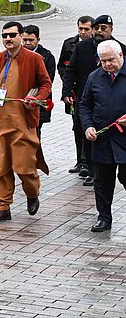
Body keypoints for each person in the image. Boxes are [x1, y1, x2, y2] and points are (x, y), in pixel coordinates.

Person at [0, 21, 52, 223]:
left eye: (12, 35)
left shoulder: (34, 58)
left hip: (23, 122)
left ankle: (32, 193)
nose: (8, 39)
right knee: (0, 166)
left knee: (24, 166)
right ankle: (1, 206)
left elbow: (46, 83)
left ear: (20, 36)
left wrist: (36, 99)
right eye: (4, 36)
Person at [62, 15, 126, 187]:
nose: (99, 31)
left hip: (117, 106)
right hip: (85, 99)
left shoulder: (121, 48)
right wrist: (66, 91)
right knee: (84, 131)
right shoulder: (82, 47)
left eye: (103, 28)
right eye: (96, 27)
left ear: (111, 29)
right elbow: (70, 70)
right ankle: (88, 167)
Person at [80, 40, 126, 232]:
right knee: (102, 182)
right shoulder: (95, 77)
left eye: (111, 60)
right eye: (103, 61)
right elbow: (84, 105)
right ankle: (104, 218)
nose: (108, 64)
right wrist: (88, 126)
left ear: (121, 56)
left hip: (124, 140)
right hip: (102, 140)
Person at [58, 16, 94, 175]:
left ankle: (87, 162)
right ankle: (80, 160)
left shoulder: (95, 45)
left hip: (89, 92)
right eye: (81, 28)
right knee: (76, 126)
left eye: (86, 29)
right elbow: (63, 66)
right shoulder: (69, 44)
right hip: (75, 92)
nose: (83, 32)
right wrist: (67, 84)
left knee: (87, 126)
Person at [21, 24, 56, 137]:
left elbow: (47, 81)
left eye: (31, 40)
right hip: (19, 101)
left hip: (37, 102)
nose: (27, 43)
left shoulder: (47, 56)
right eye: (24, 40)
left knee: (34, 135)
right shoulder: (16, 54)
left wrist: (34, 98)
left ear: (38, 40)